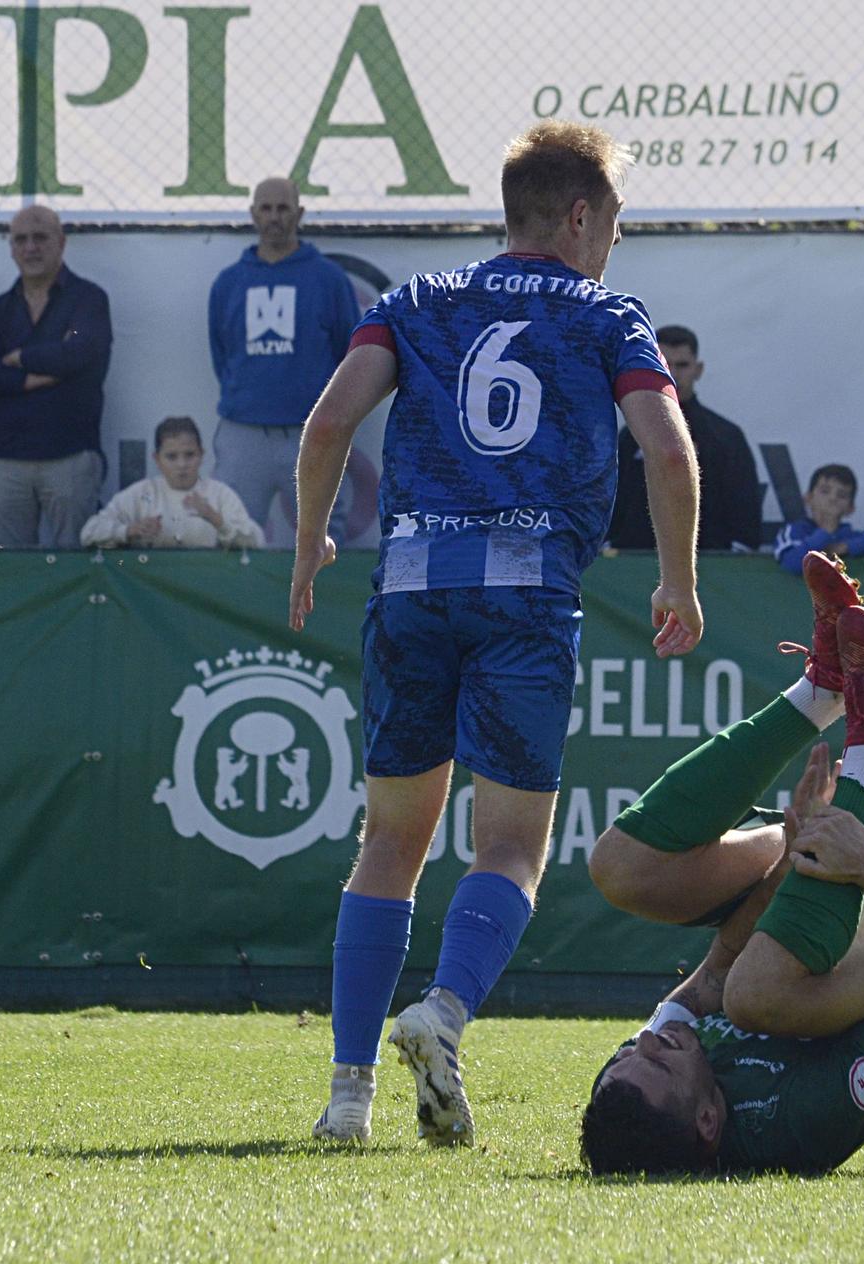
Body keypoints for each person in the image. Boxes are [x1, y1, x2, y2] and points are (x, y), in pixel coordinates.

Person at [288, 120, 704, 1148]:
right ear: (576, 216)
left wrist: (308, 545)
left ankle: (347, 1095)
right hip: (522, 595)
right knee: (511, 844)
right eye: (612, 217)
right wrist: (678, 579)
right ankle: (444, 1011)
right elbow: (667, 446)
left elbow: (330, 422)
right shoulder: (609, 314)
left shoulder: (415, 301)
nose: (615, 238)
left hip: (411, 587)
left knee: (388, 840)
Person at [582, 558, 864, 1175]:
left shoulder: (651, 1077)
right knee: (754, 996)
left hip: (825, 888)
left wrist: (791, 858)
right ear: (708, 1121)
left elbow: (720, 967)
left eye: (624, 1054)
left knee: (620, 868)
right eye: (658, 1056)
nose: (645, 1039)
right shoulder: (795, 1126)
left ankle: (821, 691)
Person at [206, 177, 362, 547]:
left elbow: (351, 353)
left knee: (323, 539)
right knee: (231, 535)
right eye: (266, 208)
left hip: (311, 434)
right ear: (252, 214)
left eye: (283, 208)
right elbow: (222, 354)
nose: (274, 217)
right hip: (244, 434)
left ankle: (319, 608)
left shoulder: (328, 279)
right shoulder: (229, 283)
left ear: (300, 213)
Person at [0, 206, 112, 547]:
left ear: (61, 243)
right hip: (6, 462)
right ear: (11, 247)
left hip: (71, 458)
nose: (31, 247)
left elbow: (80, 352)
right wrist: (35, 376)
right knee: (12, 574)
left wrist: (20, 358)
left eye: (40, 238)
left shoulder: (88, 299)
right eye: (21, 239)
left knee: (75, 569)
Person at [607, 324, 762, 551]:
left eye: (682, 365)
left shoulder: (726, 437)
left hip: (709, 571)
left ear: (698, 369)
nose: (673, 374)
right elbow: (609, 506)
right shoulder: (629, 438)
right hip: (633, 569)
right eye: (664, 364)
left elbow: (745, 517)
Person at [80, 417, 262, 549]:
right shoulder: (141, 493)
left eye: (189, 455)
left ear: (201, 455)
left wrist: (216, 519)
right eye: (171, 457)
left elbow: (257, 542)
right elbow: (88, 533)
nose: (181, 465)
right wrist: (129, 531)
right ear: (157, 459)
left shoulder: (220, 494)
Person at [771, 463, 864, 574]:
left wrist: (845, 547)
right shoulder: (793, 531)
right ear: (808, 498)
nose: (833, 499)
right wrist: (825, 532)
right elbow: (793, 564)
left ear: (850, 509)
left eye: (842, 495)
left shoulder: (849, 536)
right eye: (825, 491)